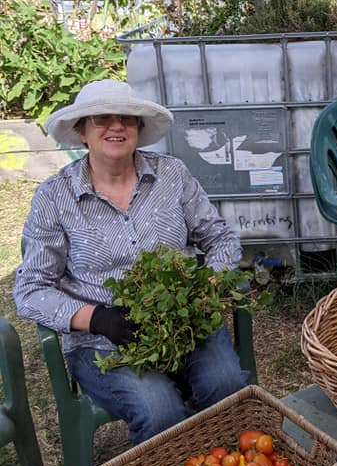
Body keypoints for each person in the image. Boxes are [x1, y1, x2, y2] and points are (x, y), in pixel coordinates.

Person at [14, 79, 252, 444]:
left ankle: (220, 465)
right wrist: (98, 318)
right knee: (160, 410)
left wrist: (204, 289)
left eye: (126, 118)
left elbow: (220, 239)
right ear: (82, 132)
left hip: (184, 325)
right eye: (101, 119)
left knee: (227, 385)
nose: (116, 126)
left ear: (139, 128)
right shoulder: (55, 197)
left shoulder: (172, 175)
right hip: (103, 343)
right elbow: (31, 289)